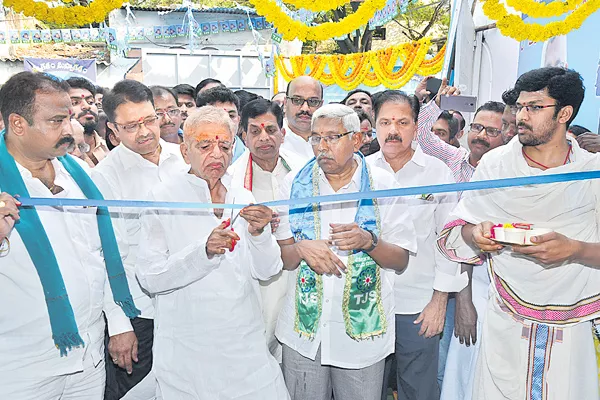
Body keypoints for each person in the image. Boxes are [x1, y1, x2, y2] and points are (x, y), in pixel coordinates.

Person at [439, 67, 600, 399]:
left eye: (535, 107)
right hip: (505, 317)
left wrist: (573, 250)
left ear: (564, 114)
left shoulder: (590, 174)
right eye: (520, 106)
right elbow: (461, 228)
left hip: (571, 320)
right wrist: (476, 235)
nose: (521, 116)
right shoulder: (496, 166)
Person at [0, 71, 139, 398]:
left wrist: (119, 323)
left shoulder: (77, 175)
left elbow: (100, 254)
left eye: (70, 118)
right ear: (18, 124)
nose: (69, 130)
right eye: (56, 121)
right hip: (20, 365)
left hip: (88, 356)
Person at [135, 105, 289, 399]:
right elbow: (150, 277)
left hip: (243, 343)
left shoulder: (241, 195)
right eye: (205, 146)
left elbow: (267, 270)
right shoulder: (164, 197)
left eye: (225, 146)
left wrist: (259, 234)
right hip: (189, 346)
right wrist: (202, 252)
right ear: (184, 150)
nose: (217, 155)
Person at [275, 103, 418, 400]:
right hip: (304, 332)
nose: (322, 147)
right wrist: (300, 247)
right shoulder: (294, 184)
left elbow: (401, 258)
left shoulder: (382, 185)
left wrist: (369, 241)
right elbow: (284, 259)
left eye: (332, 137)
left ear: (356, 139)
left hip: (361, 336)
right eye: (316, 138)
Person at [365, 91, 466, 400]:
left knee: (418, 390)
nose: (393, 130)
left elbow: (450, 242)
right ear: (374, 124)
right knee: (368, 390)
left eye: (402, 122)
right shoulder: (361, 171)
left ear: (416, 125)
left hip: (419, 306)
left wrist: (439, 301)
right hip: (367, 305)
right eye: (385, 122)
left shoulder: (437, 173)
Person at [91, 79, 188, 399]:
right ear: (113, 131)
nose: (145, 131)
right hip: (139, 312)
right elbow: (104, 255)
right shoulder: (105, 176)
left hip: (188, 305)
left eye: (150, 119)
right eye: (131, 126)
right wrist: (118, 323)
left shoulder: (185, 159)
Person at [229, 99, 304, 362]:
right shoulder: (231, 180)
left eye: (270, 130)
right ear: (244, 137)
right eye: (255, 131)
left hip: (298, 273)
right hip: (259, 280)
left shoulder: (303, 170)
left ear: (282, 134)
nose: (264, 138)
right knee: (260, 350)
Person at [196, 86, 247, 164]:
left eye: (231, 116)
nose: (227, 122)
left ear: (239, 120)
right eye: (218, 116)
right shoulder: (190, 156)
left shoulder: (251, 158)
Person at [280, 76, 324, 162]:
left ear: (321, 105)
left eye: (313, 101)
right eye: (297, 100)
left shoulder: (331, 139)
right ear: (285, 103)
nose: (305, 108)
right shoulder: (273, 139)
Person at [66, 77, 108, 165]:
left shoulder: (110, 147)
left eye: (90, 102)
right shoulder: (57, 155)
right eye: (75, 103)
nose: (86, 106)